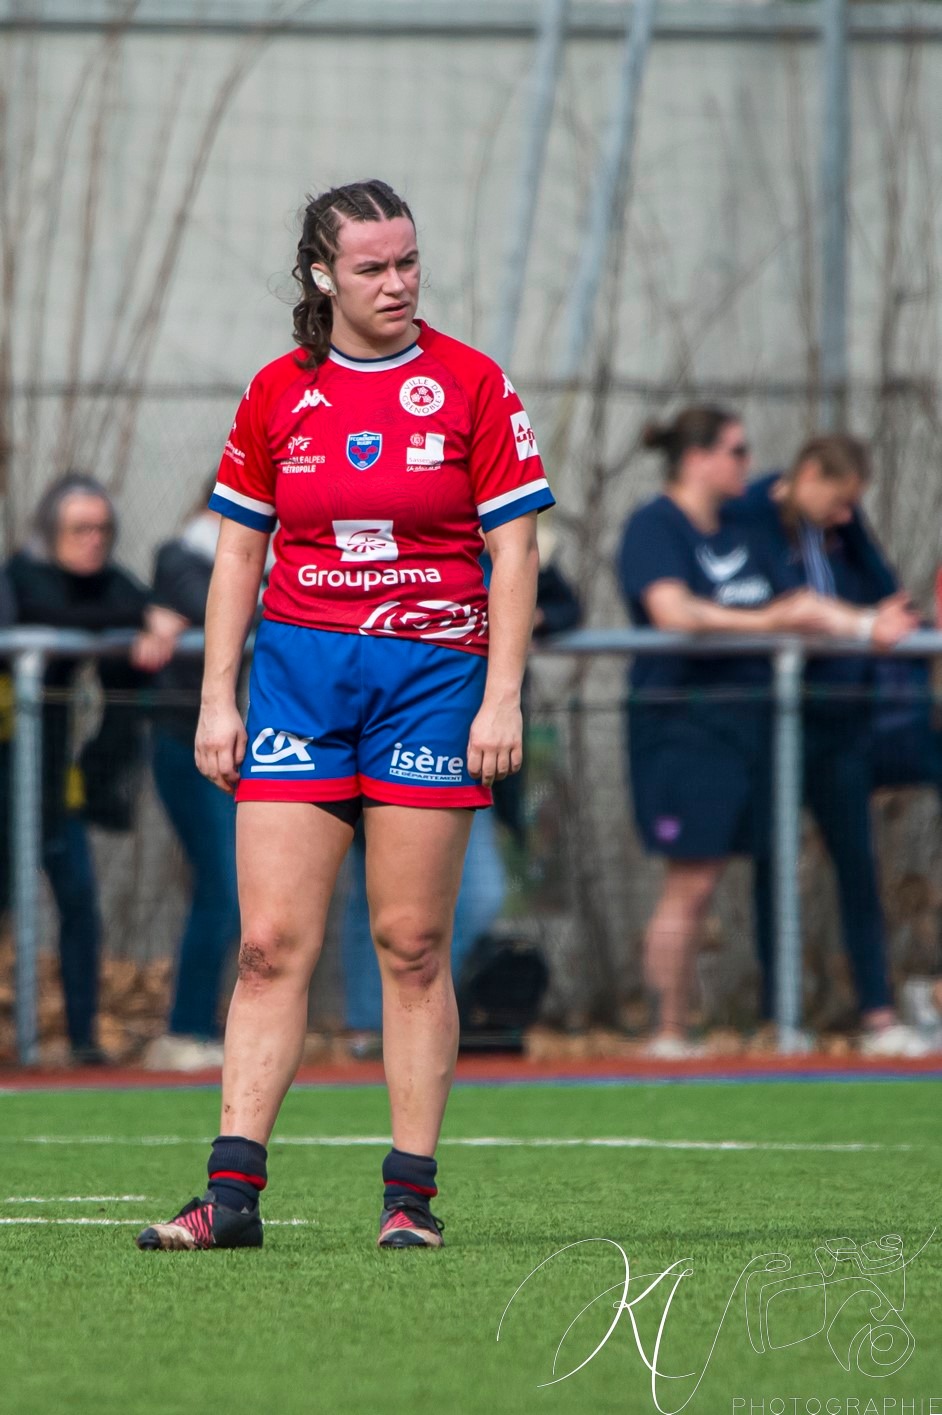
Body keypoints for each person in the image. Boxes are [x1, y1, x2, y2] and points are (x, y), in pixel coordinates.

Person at [136, 178, 554, 1252]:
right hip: (298, 681)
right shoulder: (280, 390)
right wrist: (218, 695)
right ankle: (231, 1199)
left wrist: (502, 692)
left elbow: (516, 550)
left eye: (408, 260)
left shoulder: (470, 384)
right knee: (269, 943)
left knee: (411, 942)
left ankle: (408, 1198)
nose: (398, 281)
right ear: (322, 274)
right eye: (372, 266)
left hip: (430, 676)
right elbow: (238, 550)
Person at [617, 409, 909, 1059]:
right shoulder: (654, 525)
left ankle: (686, 1028)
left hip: (742, 732)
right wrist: (765, 620)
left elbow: (801, 607)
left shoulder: (740, 530)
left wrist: (867, 626)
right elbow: (674, 612)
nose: (750, 466)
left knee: (713, 877)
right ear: (697, 458)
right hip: (679, 728)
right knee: (687, 882)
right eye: (737, 451)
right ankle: (664, 1032)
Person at [727, 434, 929, 1056]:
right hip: (779, 719)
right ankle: (778, 1016)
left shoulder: (841, 528)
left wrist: (856, 532)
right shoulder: (754, 512)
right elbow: (781, 602)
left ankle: (878, 1012)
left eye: (853, 508)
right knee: (774, 867)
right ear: (808, 473)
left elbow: (886, 594)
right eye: (839, 502)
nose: (845, 515)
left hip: (842, 725)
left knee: (857, 866)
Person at [339, 536, 580, 1055]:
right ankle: (367, 1029)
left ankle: (423, 1020)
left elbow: (563, 604)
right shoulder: (396, 550)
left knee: (471, 898)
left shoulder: (504, 544)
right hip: (387, 746)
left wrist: (519, 618)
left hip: (467, 754)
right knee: (378, 896)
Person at [4, 472, 180, 1064]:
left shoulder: (110, 583)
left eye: (103, 529)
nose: (93, 540)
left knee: (79, 900)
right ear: (51, 532)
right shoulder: (20, 578)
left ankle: (81, 1040)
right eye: (79, 529)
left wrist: (152, 624)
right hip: (8, 775)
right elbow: (39, 611)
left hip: (55, 780)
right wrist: (129, 626)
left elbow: (138, 606)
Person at [142, 485, 243, 1071]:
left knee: (235, 892)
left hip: (244, 747)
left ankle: (201, 1025)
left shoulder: (278, 561)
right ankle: (186, 1029)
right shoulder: (181, 554)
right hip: (186, 744)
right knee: (220, 886)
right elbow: (227, 606)